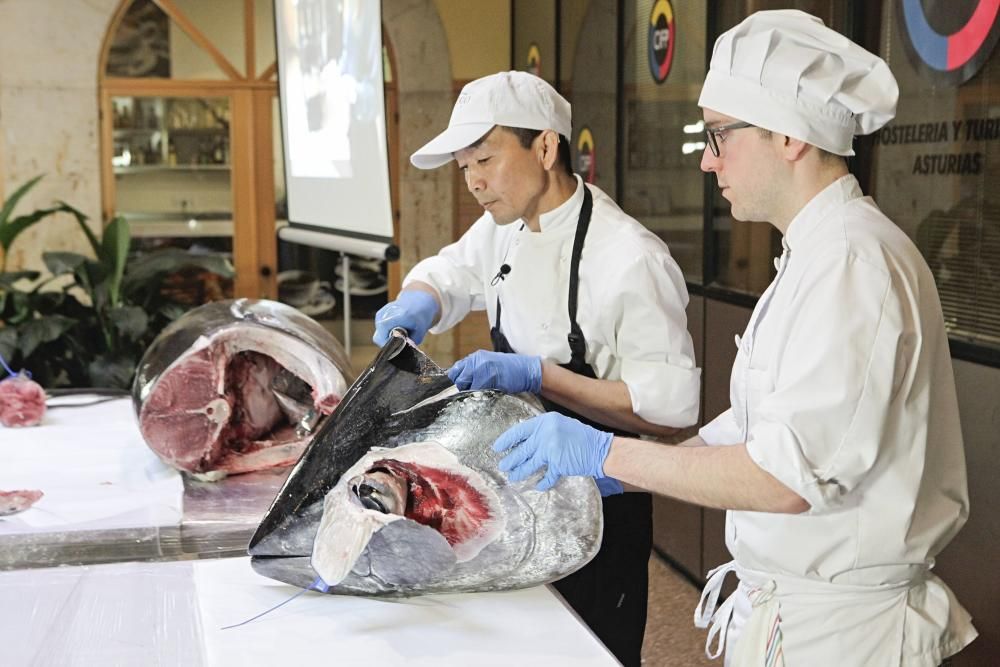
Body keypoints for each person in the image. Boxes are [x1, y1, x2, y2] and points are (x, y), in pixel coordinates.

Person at [490, 11, 978, 666]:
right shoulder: (814, 255)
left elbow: (784, 475)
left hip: (846, 636)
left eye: (719, 134)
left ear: (788, 136)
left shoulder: (852, 264)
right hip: (801, 613)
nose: (705, 157)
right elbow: (753, 426)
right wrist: (626, 475)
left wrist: (610, 454)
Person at [372, 70, 701, 666]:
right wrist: (420, 299)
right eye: (464, 167)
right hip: (520, 481)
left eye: (485, 160)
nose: (473, 182)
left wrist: (539, 376)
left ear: (545, 147)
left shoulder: (629, 257)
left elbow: (671, 408)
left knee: (591, 646)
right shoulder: (507, 226)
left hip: (603, 494)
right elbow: (452, 271)